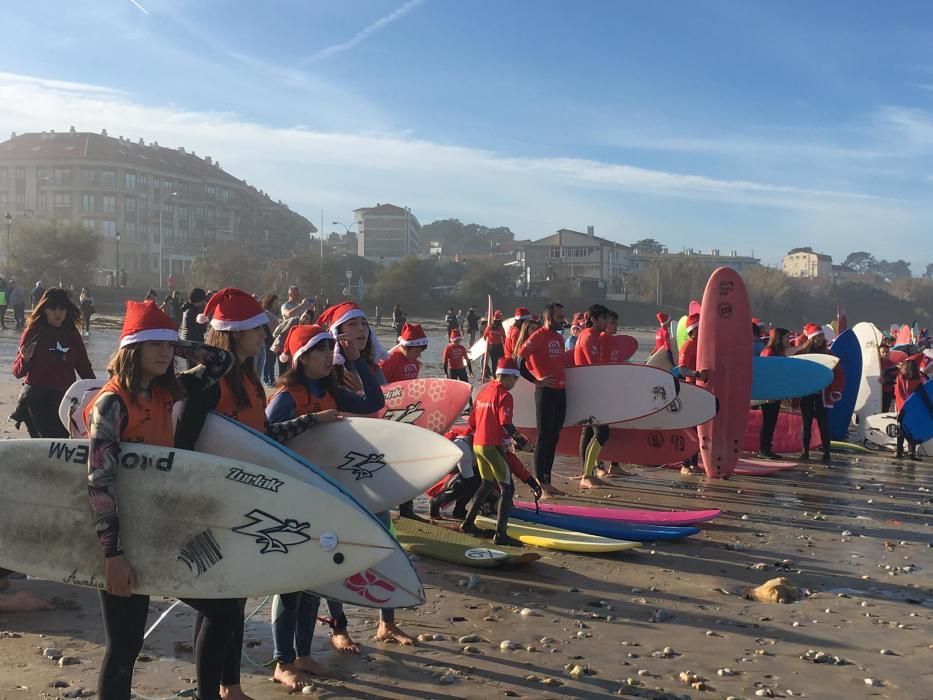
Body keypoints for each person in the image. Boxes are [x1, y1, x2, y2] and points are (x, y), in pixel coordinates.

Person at [85, 300, 239, 700]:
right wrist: (113, 555)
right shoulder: (112, 402)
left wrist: (176, 343)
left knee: (223, 608)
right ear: (130, 348)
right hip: (126, 536)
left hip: (165, 526)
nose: (164, 352)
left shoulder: (166, 391)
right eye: (153, 344)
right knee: (125, 646)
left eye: (168, 345)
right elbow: (99, 481)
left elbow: (221, 361)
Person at [175, 289, 320, 700]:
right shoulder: (208, 383)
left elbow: (261, 437)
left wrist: (309, 422)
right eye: (257, 328)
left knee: (231, 599)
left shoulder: (250, 378)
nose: (264, 334)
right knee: (217, 601)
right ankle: (216, 690)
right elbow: (184, 443)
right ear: (236, 332)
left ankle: (229, 686)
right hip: (211, 501)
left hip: (243, 499)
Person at [265, 323, 386, 690]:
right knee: (290, 584)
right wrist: (312, 420)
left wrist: (355, 359)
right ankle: (281, 661)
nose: (327, 356)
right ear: (301, 357)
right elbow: (264, 436)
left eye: (330, 349)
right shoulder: (288, 395)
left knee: (315, 580)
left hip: (325, 496)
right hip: (291, 498)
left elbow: (374, 403)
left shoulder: (330, 390)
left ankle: (302, 653)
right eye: (320, 350)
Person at [316, 301, 416, 648]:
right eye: (352, 324)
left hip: (373, 469)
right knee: (337, 548)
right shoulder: (329, 372)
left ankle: (386, 622)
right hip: (342, 472)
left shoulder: (373, 367)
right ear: (337, 333)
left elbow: (382, 408)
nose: (361, 329)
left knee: (385, 544)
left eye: (363, 323)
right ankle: (339, 628)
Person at [460, 358, 537, 545]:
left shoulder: (484, 393)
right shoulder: (504, 396)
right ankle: (501, 535)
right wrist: (523, 443)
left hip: (478, 444)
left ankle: (468, 523)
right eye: (515, 379)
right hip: (491, 447)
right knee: (507, 488)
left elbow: (471, 423)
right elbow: (506, 424)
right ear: (508, 377)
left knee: (487, 484)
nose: (515, 383)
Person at [11, 288, 95, 438]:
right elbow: (17, 372)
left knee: (63, 441)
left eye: (62, 308)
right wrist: (25, 359)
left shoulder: (71, 333)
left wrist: (98, 389)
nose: (58, 312)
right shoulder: (33, 332)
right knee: (48, 442)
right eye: (53, 308)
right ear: (44, 309)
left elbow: (83, 365)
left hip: (65, 398)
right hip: (36, 398)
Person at [518, 302, 569, 498]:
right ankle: (541, 483)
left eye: (563, 316)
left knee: (555, 436)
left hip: (561, 391)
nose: (563, 320)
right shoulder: (537, 337)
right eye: (559, 317)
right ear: (548, 318)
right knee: (544, 437)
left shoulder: (558, 337)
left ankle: (548, 481)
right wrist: (536, 380)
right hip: (545, 393)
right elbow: (518, 361)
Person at [574, 304, 611, 488]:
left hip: (594, 390)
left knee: (588, 432)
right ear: (594, 320)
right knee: (602, 432)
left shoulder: (597, 337)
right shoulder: (588, 337)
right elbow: (595, 368)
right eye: (603, 319)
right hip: (589, 391)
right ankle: (587, 475)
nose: (606, 322)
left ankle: (587, 473)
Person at [675, 313, 708, 472]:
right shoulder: (688, 346)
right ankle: (685, 465)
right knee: (690, 429)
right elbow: (682, 369)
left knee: (699, 428)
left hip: (702, 391)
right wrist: (696, 374)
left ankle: (694, 463)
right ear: (692, 331)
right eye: (699, 328)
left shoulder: (704, 344)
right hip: (691, 390)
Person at [796, 324, 833, 465]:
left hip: (822, 395)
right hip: (807, 393)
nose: (822, 339)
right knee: (806, 423)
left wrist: (835, 391)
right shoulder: (802, 354)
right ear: (812, 338)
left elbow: (838, 374)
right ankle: (805, 452)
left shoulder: (828, 355)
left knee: (824, 424)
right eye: (819, 336)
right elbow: (794, 371)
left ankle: (827, 452)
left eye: (822, 336)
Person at [758, 327, 790, 459]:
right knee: (767, 421)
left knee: (772, 421)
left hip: (776, 392)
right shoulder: (768, 352)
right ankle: (763, 450)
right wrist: (767, 394)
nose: (788, 340)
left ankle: (767, 448)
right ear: (779, 338)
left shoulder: (780, 352)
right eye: (786, 337)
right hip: (768, 392)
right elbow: (764, 374)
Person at [895, 358, 925, 461]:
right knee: (912, 430)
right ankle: (911, 453)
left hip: (902, 408)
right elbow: (921, 395)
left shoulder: (900, 378)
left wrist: (903, 404)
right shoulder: (918, 380)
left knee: (901, 430)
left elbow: (899, 393)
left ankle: (899, 452)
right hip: (914, 409)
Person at [257, 293, 281, 386]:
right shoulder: (266, 313)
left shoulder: (274, 313)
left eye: (277, 303)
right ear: (270, 302)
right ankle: (269, 379)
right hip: (270, 340)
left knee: (272, 360)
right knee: (269, 361)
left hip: (274, 339)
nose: (277, 304)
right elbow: (270, 327)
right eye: (275, 303)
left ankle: (270, 379)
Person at [482, 311, 506, 380]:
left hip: (492, 347)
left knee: (494, 362)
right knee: (502, 360)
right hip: (499, 346)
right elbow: (504, 338)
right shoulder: (501, 328)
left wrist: (489, 341)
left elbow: (484, 336)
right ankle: (501, 373)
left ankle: (494, 376)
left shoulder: (489, 327)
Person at [880, 342, 898, 413]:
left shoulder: (893, 364)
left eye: (887, 352)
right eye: (883, 352)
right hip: (876, 392)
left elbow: (894, 379)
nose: (885, 354)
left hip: (887, 392)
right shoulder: (875, 364)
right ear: (879, 353)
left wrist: (885, 380)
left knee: (884, 412)